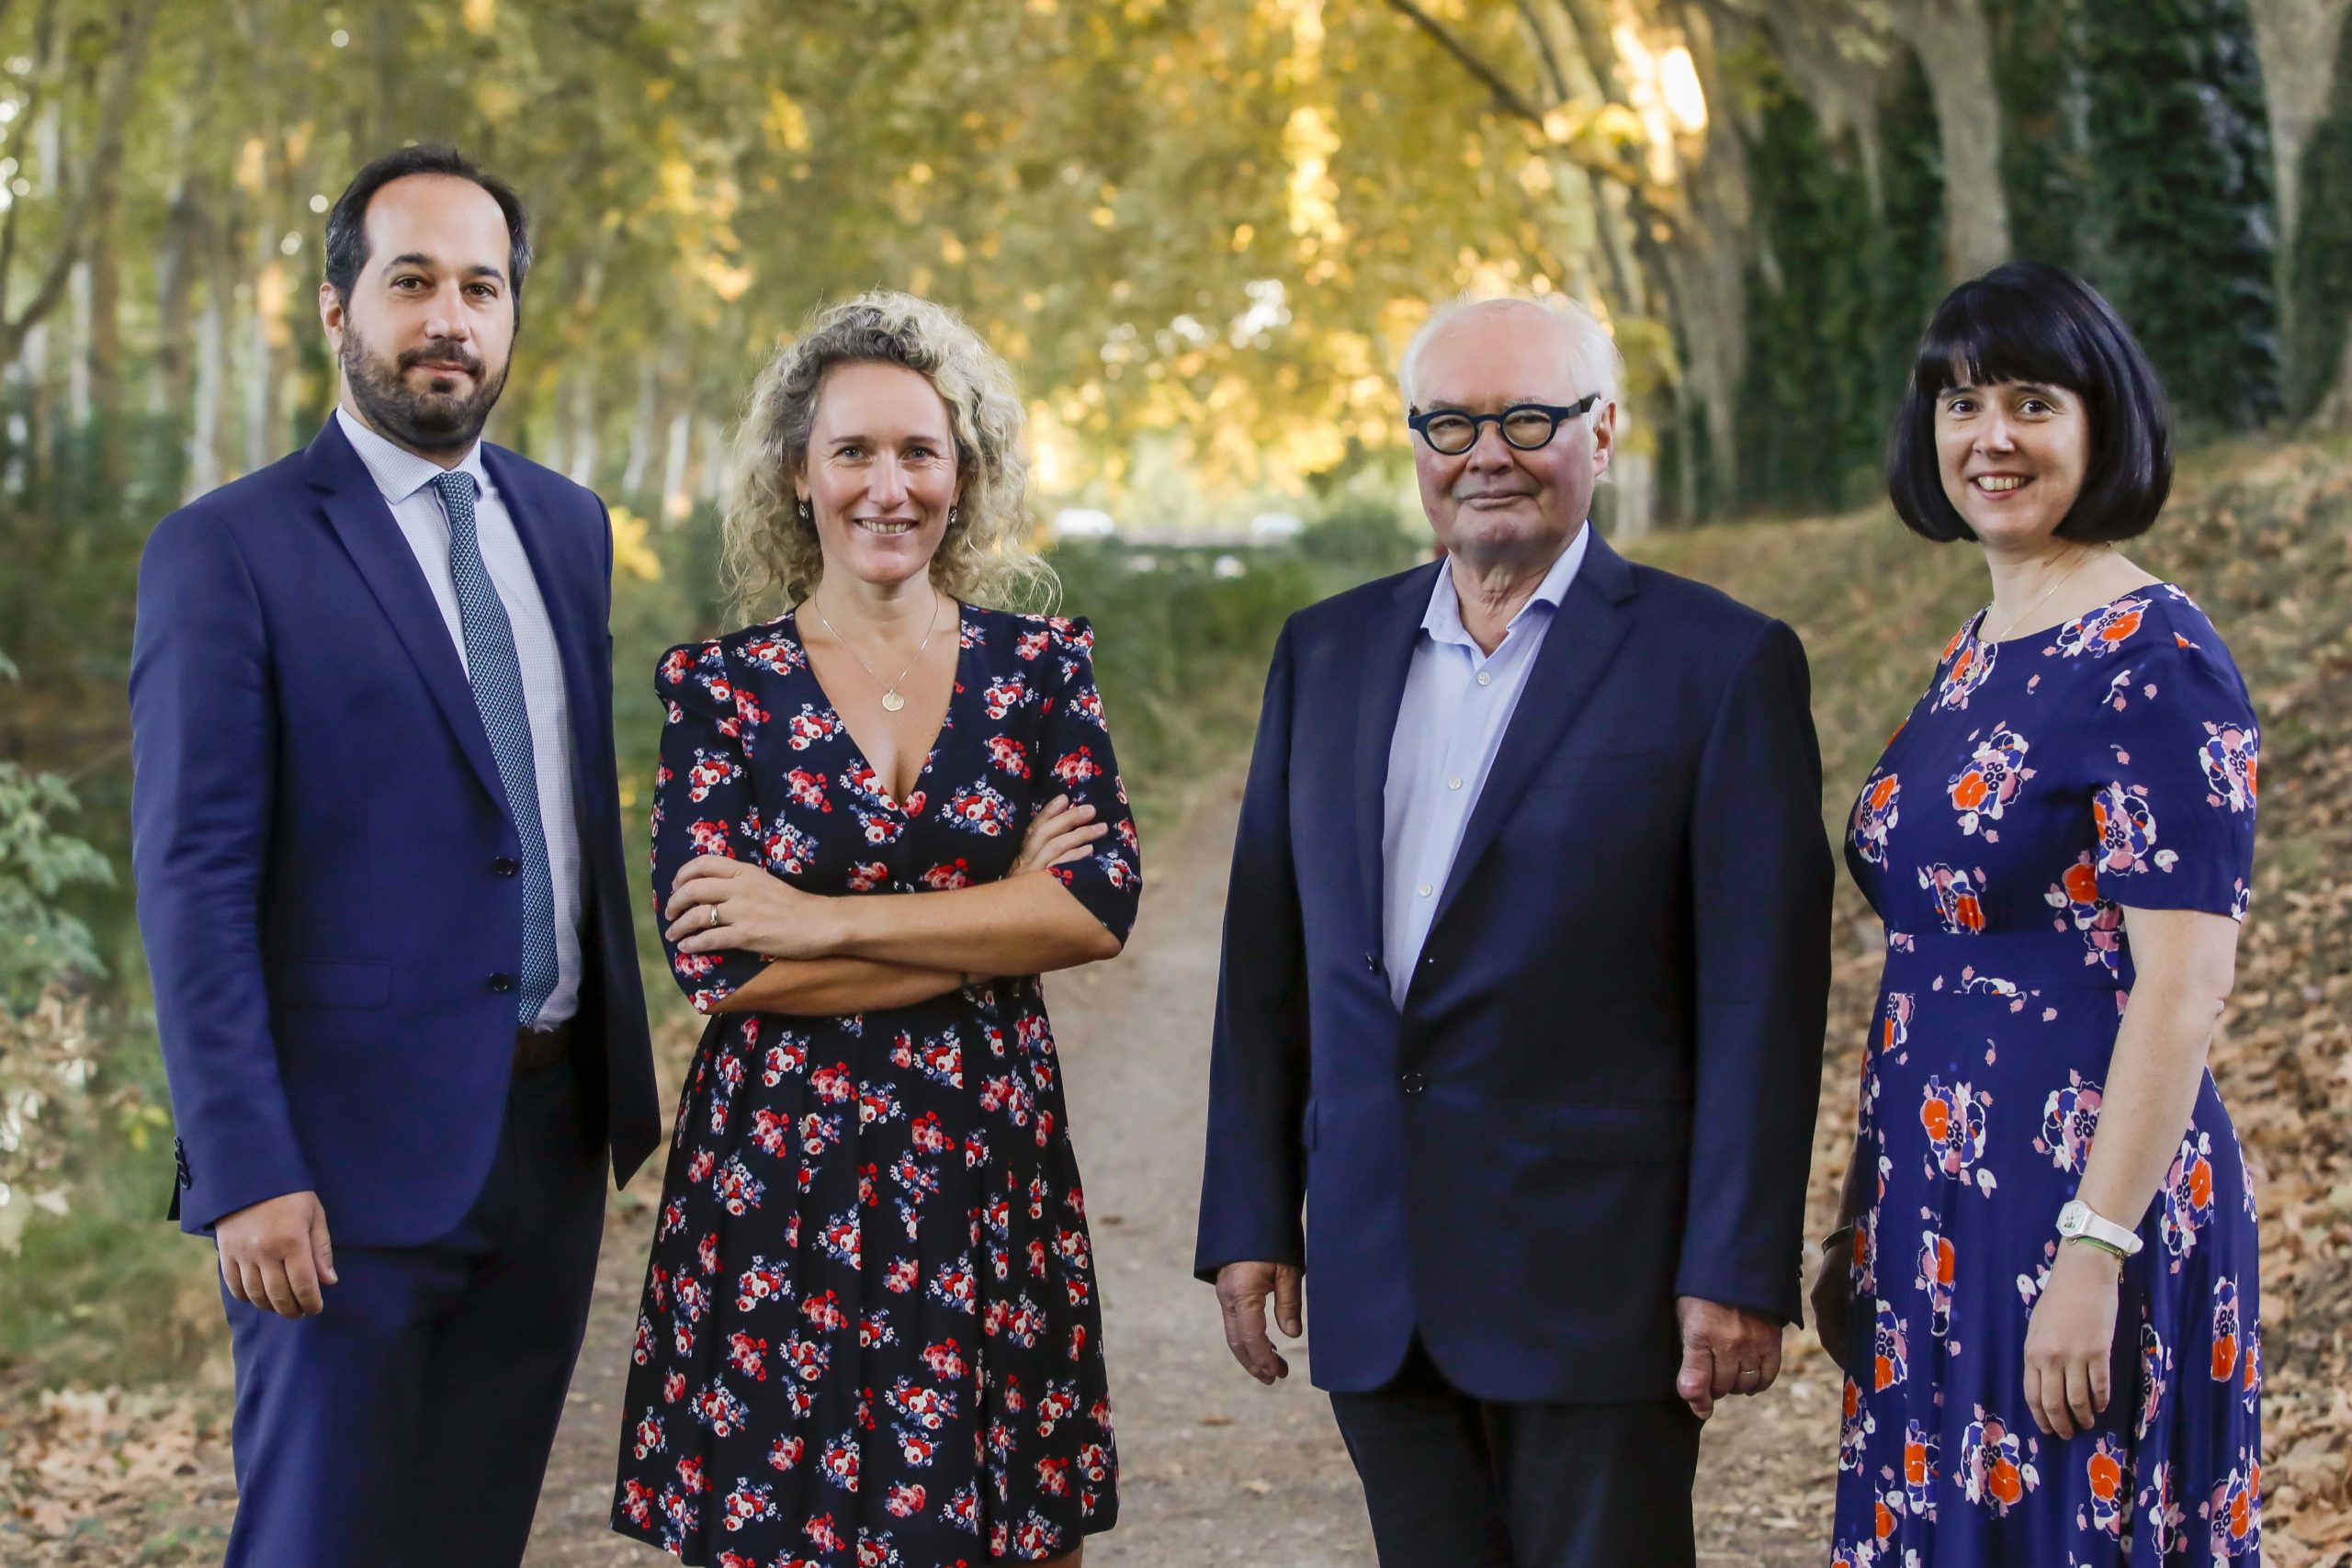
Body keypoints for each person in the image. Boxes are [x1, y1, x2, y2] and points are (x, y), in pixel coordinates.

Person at [1194, 294, 1835, 1567]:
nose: (1486, 453)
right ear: (1416, 445)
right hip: (1385, 1273)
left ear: (1603, 434)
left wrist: (1738, 1262)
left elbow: (1764, 997)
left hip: (1602, 1281)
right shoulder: (1325, 653)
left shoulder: (1719, 661)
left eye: (1527, 418)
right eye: (1449, 424)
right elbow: (1269, 961)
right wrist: (1255, 1213)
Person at [129, 144, 661, 1566]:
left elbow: (545, 811)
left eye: (481, 286)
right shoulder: (225, 553)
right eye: (410, 280)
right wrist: (245, 1169)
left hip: (547, 1143)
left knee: (470, 1539)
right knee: (322, 1541)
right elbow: (193, 881)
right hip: (336, 1174)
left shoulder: (566, 527)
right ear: (335, 309)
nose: (448, 319)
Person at [611, 290, 1137, 1567]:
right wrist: (990, 918)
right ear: (799, 474)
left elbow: (1093, 908)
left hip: (985, 1162)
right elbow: (720, 971)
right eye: (853, 451)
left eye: (920, 451)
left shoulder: (1042, 670)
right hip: (779, 1172)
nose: (886, 486)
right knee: (781, 1534)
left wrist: (818, 919)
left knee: (1014, 1532)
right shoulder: (718, 690)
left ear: (966, 473)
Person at [1815, 262, 2265, 1563]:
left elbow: (2185, 988)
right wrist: (1865, 1201)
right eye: (1960, 404)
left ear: (2100, 424)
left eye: (2030, 402)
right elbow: (1931, 956)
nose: (1990, 437)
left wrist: (2095, 1250)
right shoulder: (1975, 649)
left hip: (2082, 1203)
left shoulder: (2158, 657)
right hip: (1938, 1199)